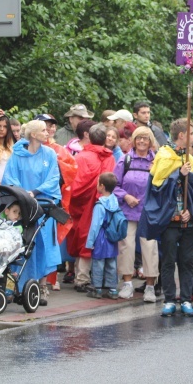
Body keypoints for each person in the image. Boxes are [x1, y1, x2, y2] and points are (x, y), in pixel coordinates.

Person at [138, 118, 193, 317]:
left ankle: (186, 298)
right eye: (191, 134)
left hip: (188, 222)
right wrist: (178, 173)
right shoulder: (164, 156)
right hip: (170, 221)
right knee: (168, 261)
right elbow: (157, 187)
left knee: (186, 261)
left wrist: (191, 211)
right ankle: (169, 299)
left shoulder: (191, 160)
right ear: (182, 135)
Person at [2, 120, 61, 306]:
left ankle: (42, 287)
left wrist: (35, 193)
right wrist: (22, 195)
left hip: (42, 205)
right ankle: (10, 287)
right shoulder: (17, 155)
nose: (48, 132)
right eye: (43, 130)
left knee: (43, 245)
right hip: (21, 207)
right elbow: (9, 177)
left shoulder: (50, 154)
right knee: (16, 246)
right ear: (33, 135)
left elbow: (54, 178)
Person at [67, 124, 116, 292]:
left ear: (90, 137)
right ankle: (97, 279)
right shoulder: (109, 158)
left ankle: (81, 277)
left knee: (83, 237)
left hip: (82, 205)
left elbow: (75, 185)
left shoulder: (81, 157)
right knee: (99, 240)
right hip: (101, 205)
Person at [113, 127, 158, 302]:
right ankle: (127, 284)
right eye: (138, 138)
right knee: (126, 246)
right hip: (127, 210)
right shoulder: (125, 160)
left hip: (148, 212)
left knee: (150, 248)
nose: (141, 142)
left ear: (150, 141)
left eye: (145, 139)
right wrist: (126, 196)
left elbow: (162, 186)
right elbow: (114, 185)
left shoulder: (156, 162)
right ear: (133, 140)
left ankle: (150, 287)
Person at [35, 113, 78, 291]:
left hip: (52, 199)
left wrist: (56, 166)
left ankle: (50, 278)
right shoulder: (30, 148)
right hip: (34, 198)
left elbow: (72, 170)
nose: (51, 129)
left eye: (52, 125)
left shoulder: (59, 149)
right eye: (47, 125)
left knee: (51, 239)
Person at [85, 173, 121, 300]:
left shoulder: (99, 205)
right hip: (112, 237)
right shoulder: (115, 201)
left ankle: (98, 289)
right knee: (112, 263)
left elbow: (95, 226)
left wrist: (90, 242)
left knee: (98, 264)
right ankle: (112, 289)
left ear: (102, 186)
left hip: (100, 237)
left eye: (97, 183)